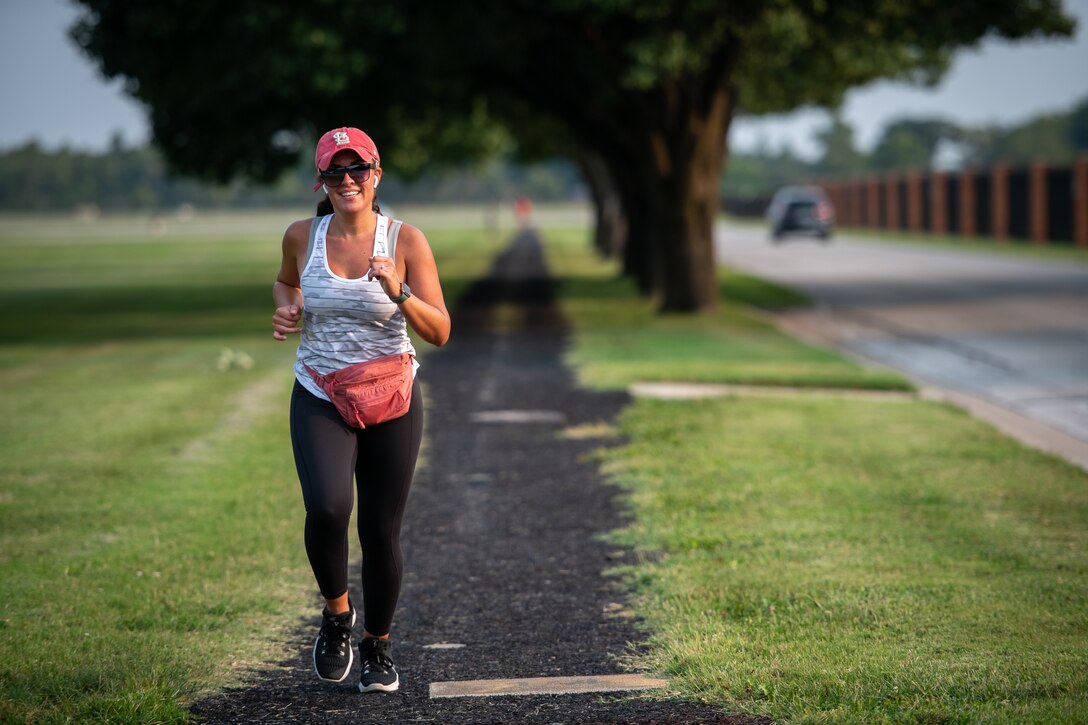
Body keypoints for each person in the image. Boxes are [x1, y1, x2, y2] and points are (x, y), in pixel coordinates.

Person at [272, 126, 450, 693]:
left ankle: (378, 645)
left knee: (380, 530)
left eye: (357, 170)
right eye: (334, 172)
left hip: (392, 395)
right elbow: (284, 283)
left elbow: (441, 331)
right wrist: (288, 306)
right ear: (320, 180)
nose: (347, 181)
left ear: (376, 174)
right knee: (327, 507)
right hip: (320, 389)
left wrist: (399, 289)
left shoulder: (406, 240)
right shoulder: (302, 235)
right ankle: (336, 615)